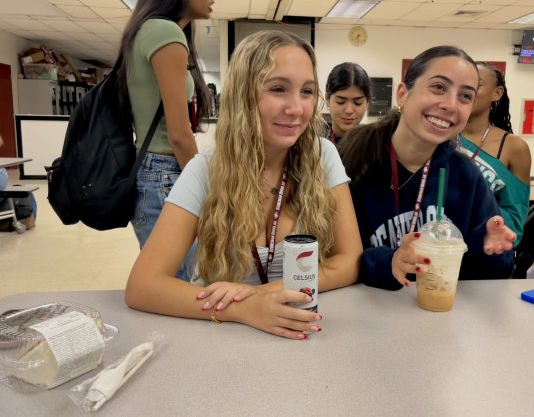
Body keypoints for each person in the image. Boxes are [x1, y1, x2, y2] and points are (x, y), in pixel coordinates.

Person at [125, 30, 363, 340]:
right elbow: (143, 286)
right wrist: (243, 308)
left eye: (307, 91)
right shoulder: (206, 170)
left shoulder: (322, 156)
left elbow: (350, 260)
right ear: (243, 95)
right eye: (278, 89)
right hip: (225, 338)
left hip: (300, 330)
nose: (296, 108)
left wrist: (266, 293)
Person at [339, 46, 516, 290]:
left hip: (438, 314)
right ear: (402, 94)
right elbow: (333, 257)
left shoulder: (466, 174)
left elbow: (495, 275)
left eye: (465, 96)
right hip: (366, 312)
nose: (451, 105)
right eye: (439, 87)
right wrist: (387, 262)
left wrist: (485, 245)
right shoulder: (353, 164)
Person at [117, 0, 218, 281]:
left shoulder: (146, 30)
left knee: (176, 278)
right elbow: (178, 134)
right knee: (178, 282)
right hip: (164, 173)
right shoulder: (165, 32)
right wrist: (207, 188)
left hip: (151, 170)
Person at [458, 62, 531, 245]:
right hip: (442, 248)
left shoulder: (514, 147)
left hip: (488, 252)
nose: (466, 89)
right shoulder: (439, 138)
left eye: (476, 83)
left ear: (496, 93)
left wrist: (473, 206)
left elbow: (515, 220)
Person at [324, 62, 371, 146]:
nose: (349, 110)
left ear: (367, 103)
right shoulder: (313, 143)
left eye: (358, 103)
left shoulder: (375, 146)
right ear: (328, 100)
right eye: (340, 102)